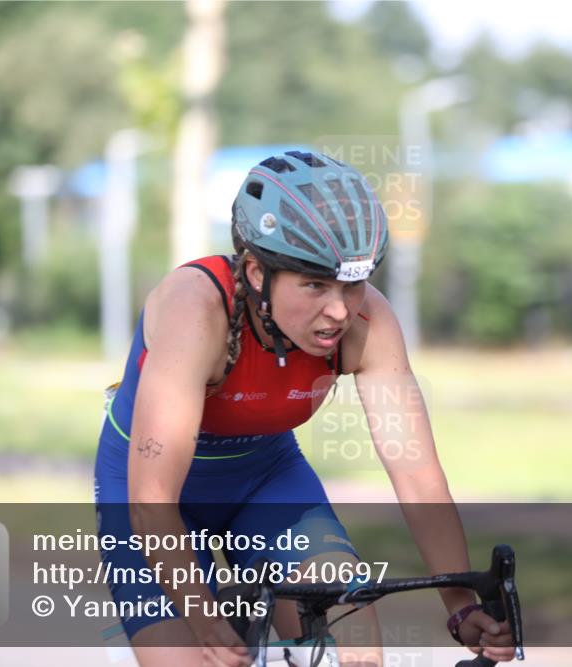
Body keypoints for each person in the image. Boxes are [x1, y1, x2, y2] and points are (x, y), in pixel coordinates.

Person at [94, 150, 515, 666]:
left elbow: (418, 474)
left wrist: (460, 608)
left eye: (352, 283)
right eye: (315, 284)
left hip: (266, 479)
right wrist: (207, 622)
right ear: (255, 272)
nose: (339, 310)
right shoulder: (197, 311)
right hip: (149, 493)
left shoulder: (368, 325)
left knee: (355, 643)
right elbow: (151, 496)